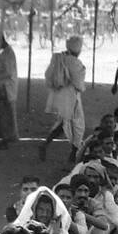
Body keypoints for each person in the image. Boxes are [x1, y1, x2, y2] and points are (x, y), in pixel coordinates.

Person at [42, 35, 87, 165]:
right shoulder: (76, 63)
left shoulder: (57, 58)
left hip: (58, 96)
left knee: (63, 123)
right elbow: (79, 85)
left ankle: (46, 144)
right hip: (72, 98)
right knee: (78, 126)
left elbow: (48, 75)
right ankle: (73, 155)